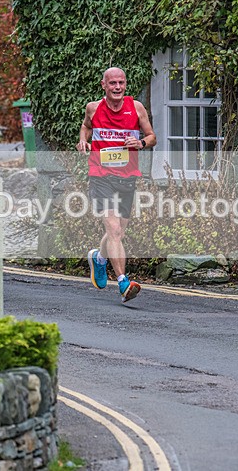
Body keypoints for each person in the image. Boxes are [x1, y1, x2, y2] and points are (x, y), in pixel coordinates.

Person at [76, 67, 156, 303]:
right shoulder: (94, 108)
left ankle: (99, 258)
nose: (117, 87)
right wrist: (83, 142)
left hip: (127, 176)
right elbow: (86, 127)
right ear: (104, 85)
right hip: (101, 176)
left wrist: (140, 142)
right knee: (113, 230)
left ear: (126, 84)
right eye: (113, 83)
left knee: (119, 231)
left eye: (121, 82)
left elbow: (152, 136)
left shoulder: (136, 108)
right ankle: (123, 282)